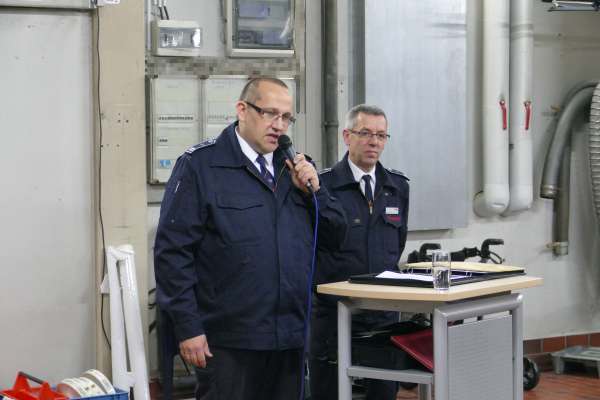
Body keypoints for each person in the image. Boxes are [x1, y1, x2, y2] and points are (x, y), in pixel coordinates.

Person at [154, 77, 347, 400]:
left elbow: (336, 237)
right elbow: (173, 253)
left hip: (289, 336)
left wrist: (315, 191)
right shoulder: (202, 166)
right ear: (242, 110)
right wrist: (188, 327)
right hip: (228, 339)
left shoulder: (296, 169)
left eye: (286, 117)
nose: (279, 125)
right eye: (270, 113)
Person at [310, 104, 410, 400]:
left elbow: (397, 243)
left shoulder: (397, 186)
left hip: (383, 313)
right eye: (365, 133)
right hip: (333, 312)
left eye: (381, 135)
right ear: (346, 136)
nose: (374, 142)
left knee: (383, 391)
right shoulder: (323, 185)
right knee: (328, 391)